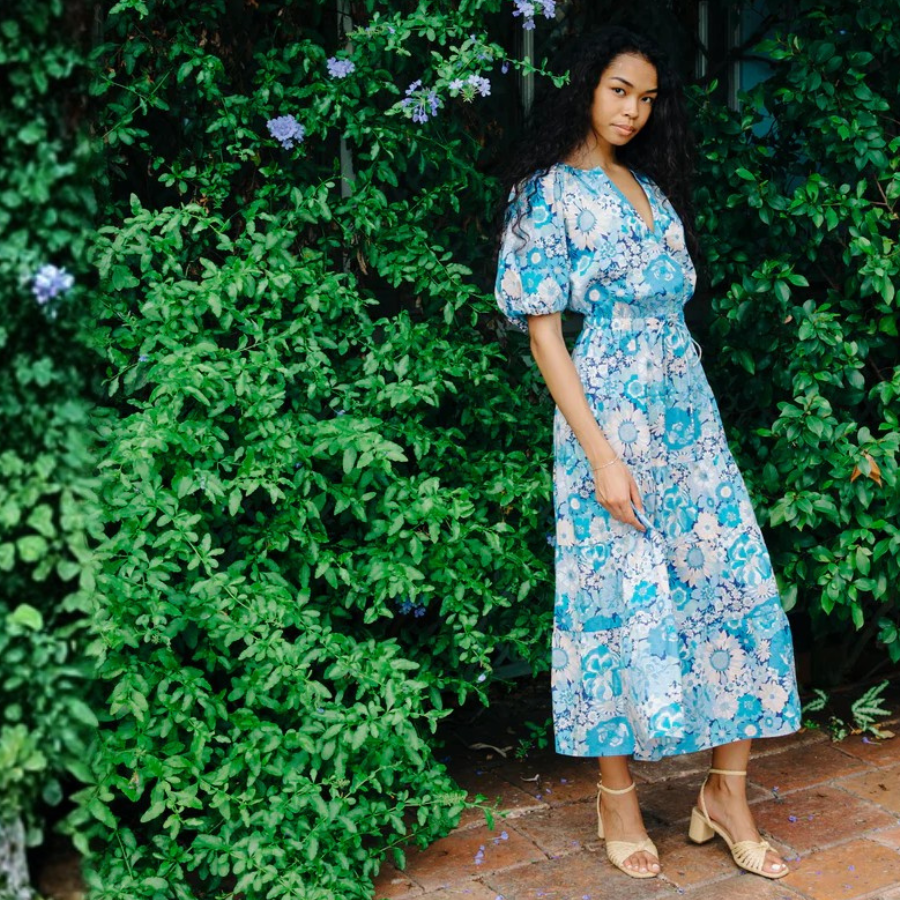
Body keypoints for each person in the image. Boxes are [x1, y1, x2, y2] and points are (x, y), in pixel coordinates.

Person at [493, 26, 802, 882]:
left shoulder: (651, 190)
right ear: (588, 88)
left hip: (686, 412)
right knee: (614, 598)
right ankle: (617, 797)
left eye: (647, 96)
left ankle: (725, 793)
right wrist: (600, 455)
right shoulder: (545, 194)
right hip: (608, 413)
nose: (633, 109)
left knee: (731, 581)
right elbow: (547, 338)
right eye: (620, 90)